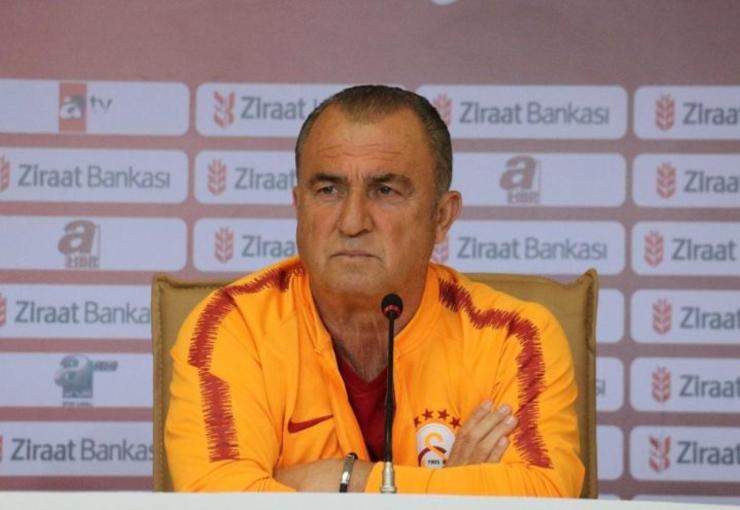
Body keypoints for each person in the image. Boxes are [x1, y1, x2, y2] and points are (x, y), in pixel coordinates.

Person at [165, 85, 584, 496]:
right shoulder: (234, 327)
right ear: (299, 205)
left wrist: (344, 480)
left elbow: (543, 494)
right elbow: (219, 500)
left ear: (441, 216)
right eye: (328, 190)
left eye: (385, 191)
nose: (352, 222)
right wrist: (451, 495)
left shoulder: (514, 338)